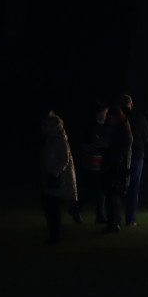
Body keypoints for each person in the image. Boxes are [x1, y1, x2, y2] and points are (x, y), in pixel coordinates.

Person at [40, 112, 79, 244]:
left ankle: (54, 236)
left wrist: (54, 173)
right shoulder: (53, 138)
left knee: (52, 208)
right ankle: (54, 235)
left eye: (46, 125)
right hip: (55, 178)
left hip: (58, 180)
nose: (43, 127)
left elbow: (64, 159)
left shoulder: (59, 139)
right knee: (50, 207)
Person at [120, 94, 148, 227]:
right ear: (131, 104)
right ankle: (130, 219)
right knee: (134, 188)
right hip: (137, 156)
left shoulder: (117, 117)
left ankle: (114, 218)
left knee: (117, 187)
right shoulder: (140, 118)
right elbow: (147, 136)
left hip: (120, 156)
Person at [76, 100, 109, 224]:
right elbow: (90, 143)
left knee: (98, 189)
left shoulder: (102, 125)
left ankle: (98, 215)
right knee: (95, 189)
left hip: (98, 163)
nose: (106, 115)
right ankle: (79, 208)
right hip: (92, 163)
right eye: (105, 112)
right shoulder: (92, 127)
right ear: (99, 113)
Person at [102, 107, 132, 232]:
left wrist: (107, 147)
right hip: (117, 165)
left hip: (117, 166)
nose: (108, 119)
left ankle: (114, 223)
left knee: (114, 195)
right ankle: (114, 222)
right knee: (113, 195)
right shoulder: (123, 128)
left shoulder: (121, 130)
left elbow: (121, 150)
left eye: (110, 117)